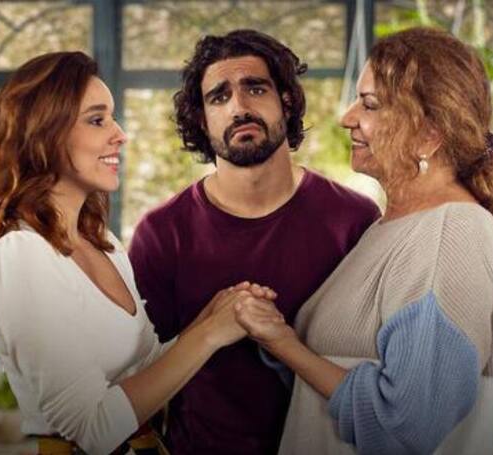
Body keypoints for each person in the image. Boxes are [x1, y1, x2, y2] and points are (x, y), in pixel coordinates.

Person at [235, 27, 493, 455]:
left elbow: (404, 426)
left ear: (428, 135)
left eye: (370, 104)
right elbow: (331, 385)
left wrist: (284, 345)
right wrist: (276, 332)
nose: (347, 118)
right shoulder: (388, 228)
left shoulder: (450, 234)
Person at [0, 51, 278, 455]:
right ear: (44, 134)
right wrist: (209, 335)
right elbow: (90, 430)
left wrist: (217, 313)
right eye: (97, 120)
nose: (120, 134)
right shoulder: (19, 255)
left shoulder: (103, 244)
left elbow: (147, 372)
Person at [128, 30, 380, 454]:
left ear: (286, 101)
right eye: (218, 97)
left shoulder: (354, 220)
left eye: (256, 89)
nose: (239, 107)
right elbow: (141, 381)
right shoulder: (161, 233)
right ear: (202, 120)